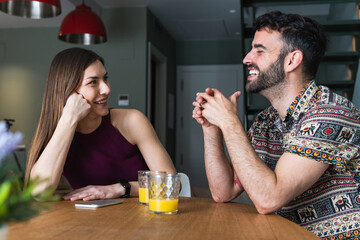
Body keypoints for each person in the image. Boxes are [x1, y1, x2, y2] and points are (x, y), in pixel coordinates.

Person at [192, 11, 360, 239]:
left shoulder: (330, 112)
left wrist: (230, 123)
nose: (246, 59)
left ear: (292, 60)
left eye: (259, 51)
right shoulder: (266, 122)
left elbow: (268, 199)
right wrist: (212, 128)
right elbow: (224, 191)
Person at [25, 47, 176, 201]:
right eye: (93, 82)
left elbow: (170, 183)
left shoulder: (133, 121)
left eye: (105, 78)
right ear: (69, 92)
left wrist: (119, 188)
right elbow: (39, 192)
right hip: (93, 222)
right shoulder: (60, 132)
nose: (106, 89)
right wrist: (68, 119)